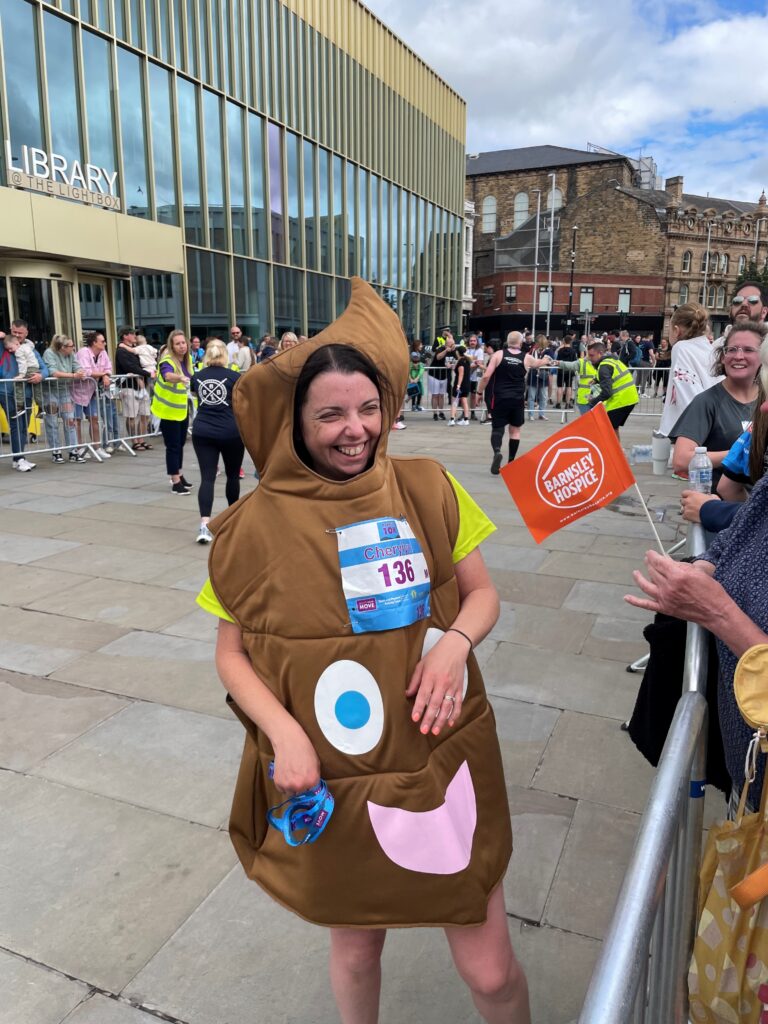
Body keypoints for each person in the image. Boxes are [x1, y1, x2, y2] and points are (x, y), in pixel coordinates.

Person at [196, 279, 530, 1024]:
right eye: (332, 414)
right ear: (296, 422)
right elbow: (231, 654)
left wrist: (456, 647)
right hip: (337, 771)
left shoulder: (430, 486)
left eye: (369, 408)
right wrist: (283, 734)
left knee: (489, 966)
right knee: (355, 951)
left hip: (439, 758)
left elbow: (481, 596)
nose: (356, 429)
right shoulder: (250, 530)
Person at [669, 323, 762, 490]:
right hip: (718, 506)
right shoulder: (706, 402)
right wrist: (739, 454)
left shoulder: (765, 402)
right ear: (722, 357)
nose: (738, 356)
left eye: (748, 350)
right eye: (732, 350)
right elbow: (681, 460)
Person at [189, 340, 244, 543]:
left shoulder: (198, 377)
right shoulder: (234, 377)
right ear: (224, 356)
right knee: (232, 476)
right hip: (230, 432)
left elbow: (197, 396)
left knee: (207, 478)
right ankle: (232, 520)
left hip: (203, 431)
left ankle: (204, 525)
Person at [478, 330, 553, 475]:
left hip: (499, 397)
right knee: (515, 430)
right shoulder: (526, 357)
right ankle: (511, 461)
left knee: (497, 428)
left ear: (507, 341)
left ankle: (497, 452)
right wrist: (547, 360)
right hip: (517, 399)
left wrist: (479, 392)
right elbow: (539, 363)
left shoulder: (498, 354)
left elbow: (486, 375)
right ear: (520, 342)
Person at [151, 329, 193, 494]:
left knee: (180, 444)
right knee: (173, 446)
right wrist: (181, 378)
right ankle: (175, 481)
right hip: (168, 410)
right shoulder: (167, 360)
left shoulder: (187, 359)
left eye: (183, 342)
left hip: (181, 409)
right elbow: (168, 376)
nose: (182, 346)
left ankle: (179, 474)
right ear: (172, 346)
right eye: (178, 343)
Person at [43, 335, 87, 464]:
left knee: (69, 420)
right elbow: (54, 373)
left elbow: (76, 365)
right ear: (62, 347)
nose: (73, 348)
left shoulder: (71, 354)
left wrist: (80, 372)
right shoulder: (49, 353)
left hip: (64, 389)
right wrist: (74, 375)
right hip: (50, 390)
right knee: (52, 421)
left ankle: (72, 451)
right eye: (71, 346)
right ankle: (56, 451)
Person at [585, 340, 639, 440]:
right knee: (613, 428)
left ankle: (614, 453)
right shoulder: (611, 360)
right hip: (629, 398)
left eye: (592, 355)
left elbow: (606, 393)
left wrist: (593, 401)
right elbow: (611, 374)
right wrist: (596, 379)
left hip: (621, 400)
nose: (589, 358)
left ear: (600, 353)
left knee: (608, 429)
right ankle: (617, 452)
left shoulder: (603, 367)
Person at [73, 331, 113, 460]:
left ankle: (97, 447)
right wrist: (103, 374)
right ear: (94, 343)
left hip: (92, 391)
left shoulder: (103, 353)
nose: (105, 343)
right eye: (102, 341)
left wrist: (106, 374)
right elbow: (86, 371)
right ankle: (78, 447)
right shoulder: (83, 352)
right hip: (77, 390)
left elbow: (108, 367)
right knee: (77, 420)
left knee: (94, 418)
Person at [114, 327, 153, 450]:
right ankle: (134, 441)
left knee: (145, 414)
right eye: (132, 334)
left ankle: (141, 439)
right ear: (125, 336)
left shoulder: (135, 349)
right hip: (128, 386)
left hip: (141, 385)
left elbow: (144, 362)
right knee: (131, 416)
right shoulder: (121, 351)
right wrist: (147, 373)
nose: (135, 336)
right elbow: (129, 367)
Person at [526, 336, 550, 421]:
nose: (537, 345)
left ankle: (541, 414)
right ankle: (531, 414)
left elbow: (549, 362)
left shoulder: (548, 351)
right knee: (531, 396)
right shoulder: (532, 350)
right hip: (533, 374)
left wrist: (538, 363)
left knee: (543, 396)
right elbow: (529, 361)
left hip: (543, 375)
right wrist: (541, 363)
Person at [449, 345, 471, 425]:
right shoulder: (467, 361)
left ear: (458, 352)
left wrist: (458, 386)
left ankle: (452, 419)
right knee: (464, 401)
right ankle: (466, 419)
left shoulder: (461, 362)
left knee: (454, 401)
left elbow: (461, 374)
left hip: (460, 384)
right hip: (466, 384)